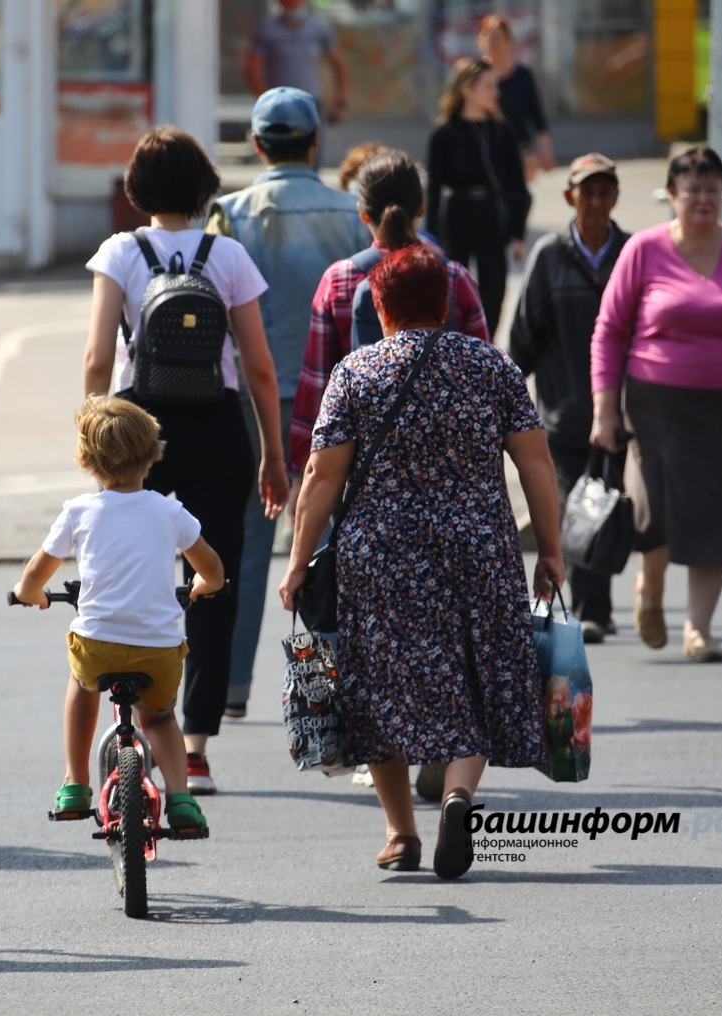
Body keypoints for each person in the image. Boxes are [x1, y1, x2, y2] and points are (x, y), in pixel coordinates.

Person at [279, 245, 564, 881]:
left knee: (379, 686)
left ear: (379, 307)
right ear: (448, 304)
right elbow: (536, 463)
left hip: (380, 554)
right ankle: (458, 794)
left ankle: (400, 832)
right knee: (478, 672)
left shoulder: (358, 372)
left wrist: (298, 562)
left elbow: (323, 477)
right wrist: (550, 548)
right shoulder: (491, 367)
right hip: (479, 547)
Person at [85, 126, 288, 794]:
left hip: (139, 426)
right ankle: (194, 745)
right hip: (217, 430)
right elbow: (258, 367)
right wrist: (273, 455)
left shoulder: (120, 251)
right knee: (213, 580)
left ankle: (137, 725)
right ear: (204, 188)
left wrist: (94, 435)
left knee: (130, 573)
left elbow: (95, 358)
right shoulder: (225, 254)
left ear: (137, 188)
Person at [589, 147, 722, 662]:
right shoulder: (644, 249)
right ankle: (651, 587)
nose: (703, 199)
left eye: (712, 189)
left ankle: (698, 629)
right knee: (653, 509)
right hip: (657, 406)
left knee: (719, 516)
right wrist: (604, 410)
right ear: (673, 195)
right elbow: (609, 332)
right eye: (692, 190)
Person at [206, 87, 370, 718]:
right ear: (315, 141)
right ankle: (338, 694)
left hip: (257, 401)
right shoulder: (352, 211)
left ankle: (228, 690)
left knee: (245, 543)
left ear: (255, 145)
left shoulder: (231, 214)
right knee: (334, 547)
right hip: (341, 400)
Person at [12, 395, 223, 832]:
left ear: (87, 460)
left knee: (82, 685)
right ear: (152, 454)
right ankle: (181, 798)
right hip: (158, 650)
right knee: (161, 717)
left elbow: (36, 573)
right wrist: (202, 588)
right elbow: (214, 572)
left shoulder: (79, 512)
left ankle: (75, 782)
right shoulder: (170, 512)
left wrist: (29, 593)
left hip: (99, 647)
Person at [289, 147, 489, 478]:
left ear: (363, 213)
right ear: (421, 207)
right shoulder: (455, 278)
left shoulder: (339, 281)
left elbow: (316, 387)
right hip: (448, 472)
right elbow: (482, 379)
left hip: (363, 474)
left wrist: (300, 467)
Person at [510, 154, 630, 644]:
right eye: (588, 192)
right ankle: (578, 606)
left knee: (603, 508)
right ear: (570, 197)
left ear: (616, 197)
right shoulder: (549, 256)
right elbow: (521, 341)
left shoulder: (631, 252)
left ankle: (595, 609)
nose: (596, 201)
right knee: (564, 509)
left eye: (605, 191)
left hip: (617, 413)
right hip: (561, 414)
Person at [426, 57, 530, 334]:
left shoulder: (502, 132)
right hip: (457, 215)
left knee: (494, 291)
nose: (496, 92)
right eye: (488, 86)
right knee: (453, 288)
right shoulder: (443, 133)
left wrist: (517, 232)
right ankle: (455, 347)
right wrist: (429, 237)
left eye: (496, 85)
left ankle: (486, 349)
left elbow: (517, 187)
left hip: (491, 216)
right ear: (467, 89)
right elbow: (433, 188)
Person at [244, 0, 349, 125]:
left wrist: (339, 100)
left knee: (312, 143)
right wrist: (265, 100)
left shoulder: (319, 28)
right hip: (279, 105)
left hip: (311, 103)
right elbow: (252, 68)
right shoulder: (266, 30)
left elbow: (338, 64)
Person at [477, 14, 556, 179]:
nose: (493, 43)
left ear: (508, 41)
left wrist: (546, 153)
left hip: (519, 153)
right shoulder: (475, 76)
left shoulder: (523, 75)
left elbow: (537, 118)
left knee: (516, 201)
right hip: (483, 153)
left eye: (498, 38)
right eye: (487, 37)